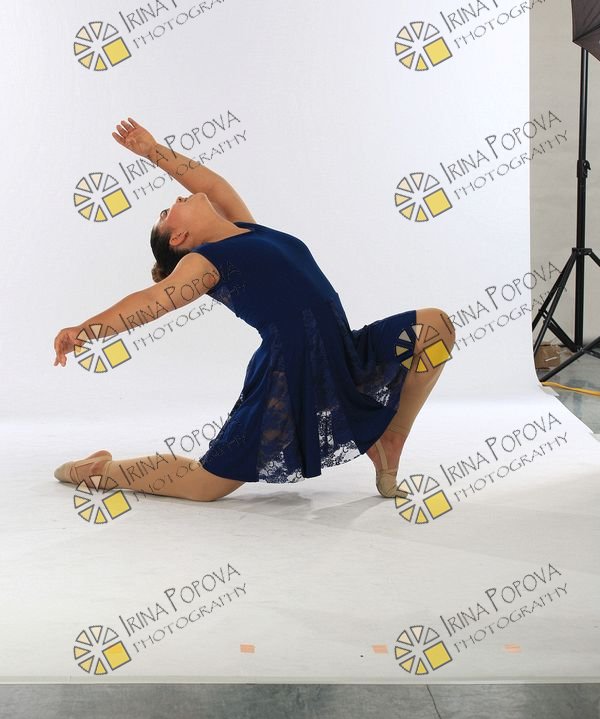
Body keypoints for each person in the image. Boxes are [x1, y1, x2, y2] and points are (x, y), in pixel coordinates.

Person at [53, 118, 456, 503]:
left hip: (341, 353)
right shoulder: (203, 263)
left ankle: (390, 437)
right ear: (179, 238)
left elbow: (211, 184)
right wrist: (85, 329)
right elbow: (149, 302)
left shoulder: (246, 229)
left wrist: (152, 150)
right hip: (288, 371)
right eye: (166, 214)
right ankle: (99, 470)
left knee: (435, 327)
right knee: (205, 485)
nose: (174, 199)